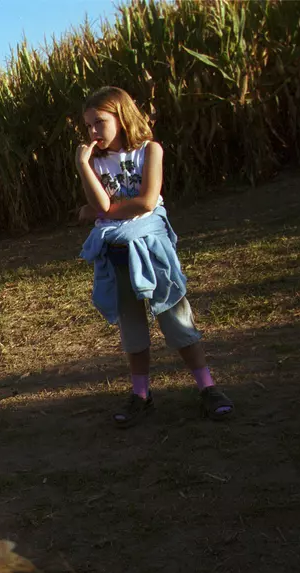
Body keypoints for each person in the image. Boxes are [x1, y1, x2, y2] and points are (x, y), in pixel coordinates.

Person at [75, 86, 234, 427]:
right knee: (132, 328)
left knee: (176, 318)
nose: (92, 132)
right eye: (88, 125)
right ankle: (141, 394)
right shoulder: (96, 162)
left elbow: (147, 202)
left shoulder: (150, 151)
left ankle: (208, 387)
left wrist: (101, 212)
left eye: (99, 123)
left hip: (152, 249)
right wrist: (83, 166)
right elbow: (102, 206)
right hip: (116, 253)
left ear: (122, 117)